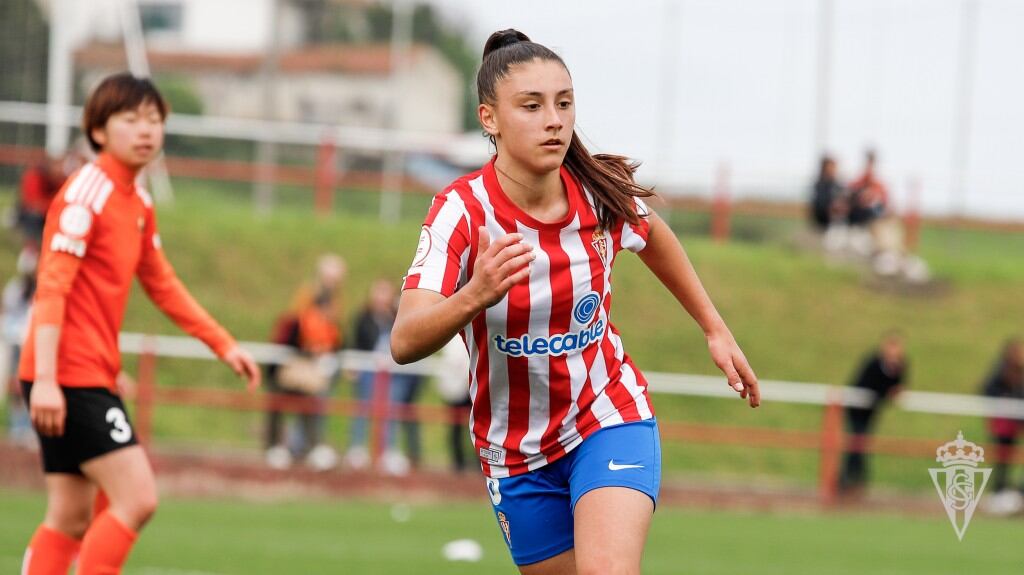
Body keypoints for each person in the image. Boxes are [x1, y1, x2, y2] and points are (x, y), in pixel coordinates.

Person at [390, 29, 760, 574]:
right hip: (514, 453)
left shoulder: (595, 194)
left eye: (564, 103)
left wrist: (715, 328)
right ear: (488, 118)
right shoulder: (460, 212)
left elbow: (653, 235)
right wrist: (475, 295)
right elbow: (404, 340)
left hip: (606, 415)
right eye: (532, 106)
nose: (555, 120)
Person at [18, 72, 260, 575]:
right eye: (130, 119)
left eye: (154, 119)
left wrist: (222, 343)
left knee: (70, 516)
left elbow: (162, 284)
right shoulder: (87, 193)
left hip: (83, 373)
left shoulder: (137, 201)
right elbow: (52, 287)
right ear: (99, 131)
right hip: (66, 373)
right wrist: (45, 379)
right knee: (137, 497)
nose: (145, 129)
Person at [264, 254, 346, 471]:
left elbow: (336, 339)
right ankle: (280, 446)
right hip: (294, 366)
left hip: (313, 369)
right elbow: (291, 334)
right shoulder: (306, 302)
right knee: (284, 401)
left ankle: (309, 447)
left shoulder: (333, 305)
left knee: (313, 404)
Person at [838, 331, 908, 495]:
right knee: (857, 441)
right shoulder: (874, 362)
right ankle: (851, 480)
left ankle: (852, 480)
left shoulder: (900, 365)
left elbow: (898, 385)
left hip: (872, 409)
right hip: (857, 407)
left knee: (861, 442)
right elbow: (868, 385)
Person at [2, 247, 38, 448]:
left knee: (30, 386)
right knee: (16, 387)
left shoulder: (40, 289)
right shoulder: (16, 289)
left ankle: (30, 429)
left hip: (32, 344)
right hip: (17, 342)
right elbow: (8, 315)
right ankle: (18, 427)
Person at [981, 338, 1024, 494]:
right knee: (1003, 455)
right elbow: (988, 389)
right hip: (1006, 421)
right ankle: (1000, 489)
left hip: (1019, 418)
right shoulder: (1001, 371)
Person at [846, 149, 889, 226]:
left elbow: (883, 203)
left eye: (871, 161)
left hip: (872, 217)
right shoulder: (857, 182)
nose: (870, 165)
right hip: (858, 216)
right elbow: (850, 192)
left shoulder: (879, 186)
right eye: (869, 161)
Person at [809, 155, 846, 231]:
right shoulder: (820, 184)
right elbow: (820, 203)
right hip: (823, 218)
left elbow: (844, 196)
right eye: (831, 167)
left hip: (836, 216)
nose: (833, 170)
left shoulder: (837, 184)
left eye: (834, 167)